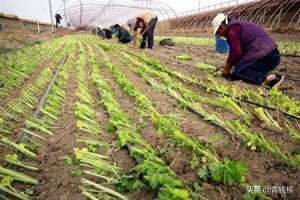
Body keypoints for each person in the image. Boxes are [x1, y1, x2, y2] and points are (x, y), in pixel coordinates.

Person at [211, 13, 284, 88]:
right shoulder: (237, 26)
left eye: (219, 33)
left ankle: (271, 79)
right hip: (271, 55)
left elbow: (236, 52)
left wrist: (227, 67)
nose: (221, 36)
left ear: (221, 27)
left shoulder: (232, 31)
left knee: (238, 73)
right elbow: (239, 52)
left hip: (267, 56)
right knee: (239, 69)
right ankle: (262, 74)